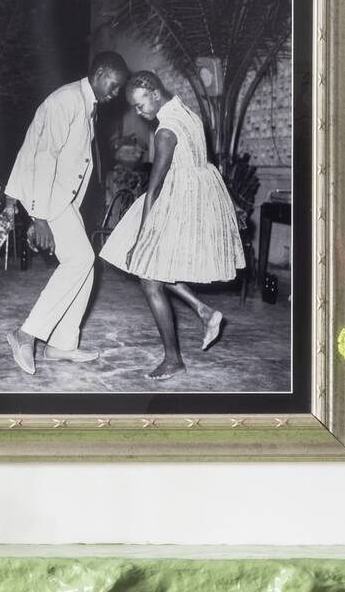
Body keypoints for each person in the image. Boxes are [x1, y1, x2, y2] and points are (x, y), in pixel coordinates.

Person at [99, 71, 244, 377]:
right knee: (158, 269)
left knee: (149, 278)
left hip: (179, 202)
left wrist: (140, 239)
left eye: (141, 105)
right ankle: (204, 311)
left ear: (153, 92)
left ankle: (173, 358)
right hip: (199, 196)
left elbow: (153, 189)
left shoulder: (166, 131)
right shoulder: (186, 110)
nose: (140, 112)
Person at [3, 51, 128, 375]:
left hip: (61, 198)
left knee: (86, 264)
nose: (115, 94)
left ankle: (62, 345)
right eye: (113, 86)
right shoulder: (67, 100)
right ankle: (25, 334)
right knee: (82, 260)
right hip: (48, 197)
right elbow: (43, 157)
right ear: (100, 73)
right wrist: (39, 216)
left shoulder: (85, 104)